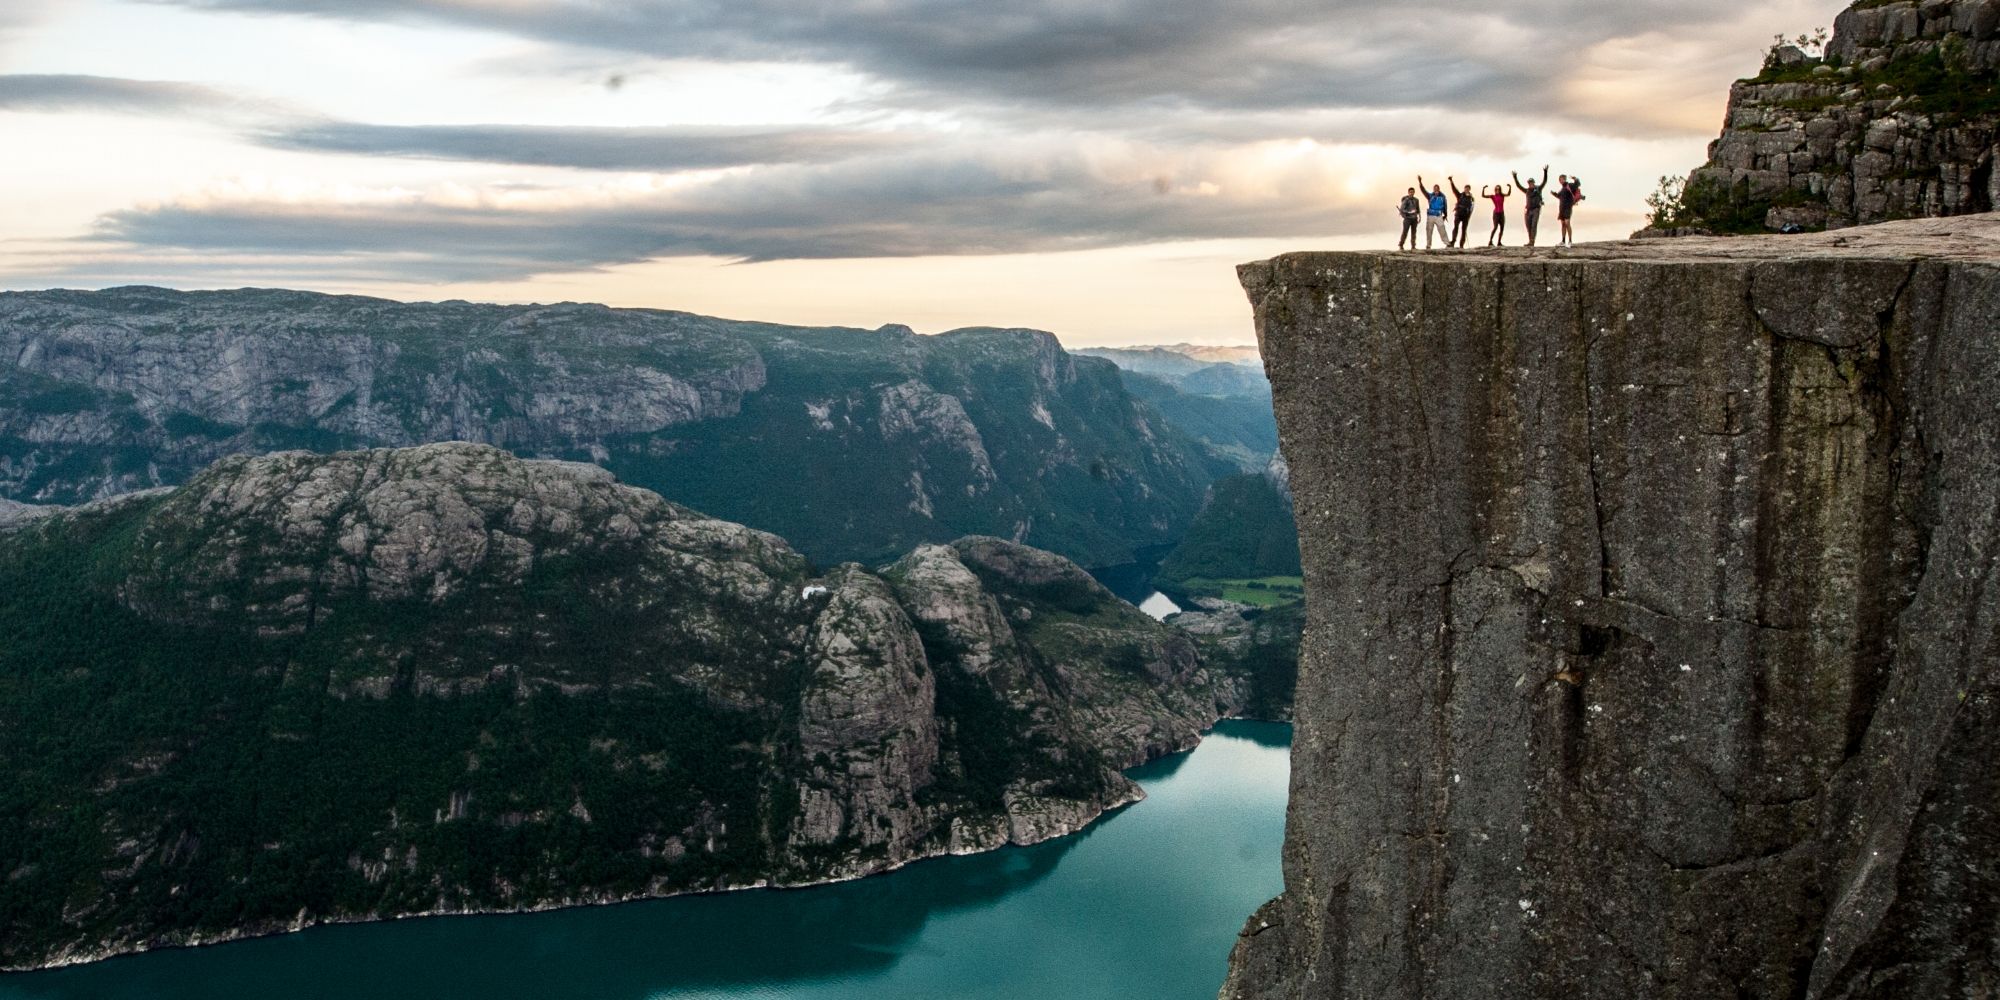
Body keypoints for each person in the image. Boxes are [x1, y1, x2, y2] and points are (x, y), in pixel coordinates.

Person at [1513, 165, 1549, 247]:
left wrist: (1545, 172)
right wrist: (1515, 177)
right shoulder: (1527, 191)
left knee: (1534, 225)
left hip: (1536, 209)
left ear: (1534, 183)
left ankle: (1532, 241)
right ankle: (1530, 241)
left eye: (1532, 182)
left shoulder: (1538, 189)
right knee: (1528, 226)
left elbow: (1544, 182)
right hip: (1528, 211)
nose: (1530, 184)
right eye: (1529, 183)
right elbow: (1519, 186)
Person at [1416, 176, 1450, 249]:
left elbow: (1445, 206)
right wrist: (1420, 182)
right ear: (1433, 189)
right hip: (1430, 215)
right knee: (1429, 230)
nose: (1436, 190)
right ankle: (1428, 245)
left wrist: (1445, 215)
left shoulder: (1443, 197)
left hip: (1439, 215)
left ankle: (1447, 243)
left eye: (1437, 188)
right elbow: (1423, 190)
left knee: (1442, 229)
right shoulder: (1430, 196)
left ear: (1439, 189)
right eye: (1435, 188)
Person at [1554, 174, 1584, 246]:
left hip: (1568, 208)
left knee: (1567, 223)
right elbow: (1559, 196)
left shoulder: (1569, 185)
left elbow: (1577, 184)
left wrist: (1575, 178)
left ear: (1564, 179)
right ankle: (1563, 241)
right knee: (1563, 224)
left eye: (1561, 179)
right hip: (1561, 208)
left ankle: (1570, 241)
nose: (1560, 181)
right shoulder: (1562, 189)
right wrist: (1554, 194)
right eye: (1559, 180)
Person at [1448, 177, 1475, 249]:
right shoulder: (1460, 195)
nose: (1466, 189)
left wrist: (1469, 216)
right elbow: (1454, 190)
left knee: (1464, 230)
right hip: (1458, 214)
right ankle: (1453, 242)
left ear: (1469, 189)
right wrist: (1451, 181)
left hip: (1466, 216)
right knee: (1456, 228)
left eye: (1468, 188)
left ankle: (1461, 245)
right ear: (1464, 189)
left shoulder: (1472, 198)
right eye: (1465, 188)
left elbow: (1472, 208)